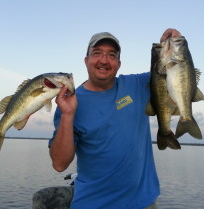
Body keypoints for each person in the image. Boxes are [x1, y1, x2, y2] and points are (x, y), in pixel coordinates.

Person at [49, 28, 181, 209]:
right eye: (97, 53)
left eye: (111, 55)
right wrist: (67, 114)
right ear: (86, 61)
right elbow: (59, 164)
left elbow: (173, 73)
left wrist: (171, 47)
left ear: (119, 64)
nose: (104, 60)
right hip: (92, 204)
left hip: (143, 202)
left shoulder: (137, 85)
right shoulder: (70, 103)